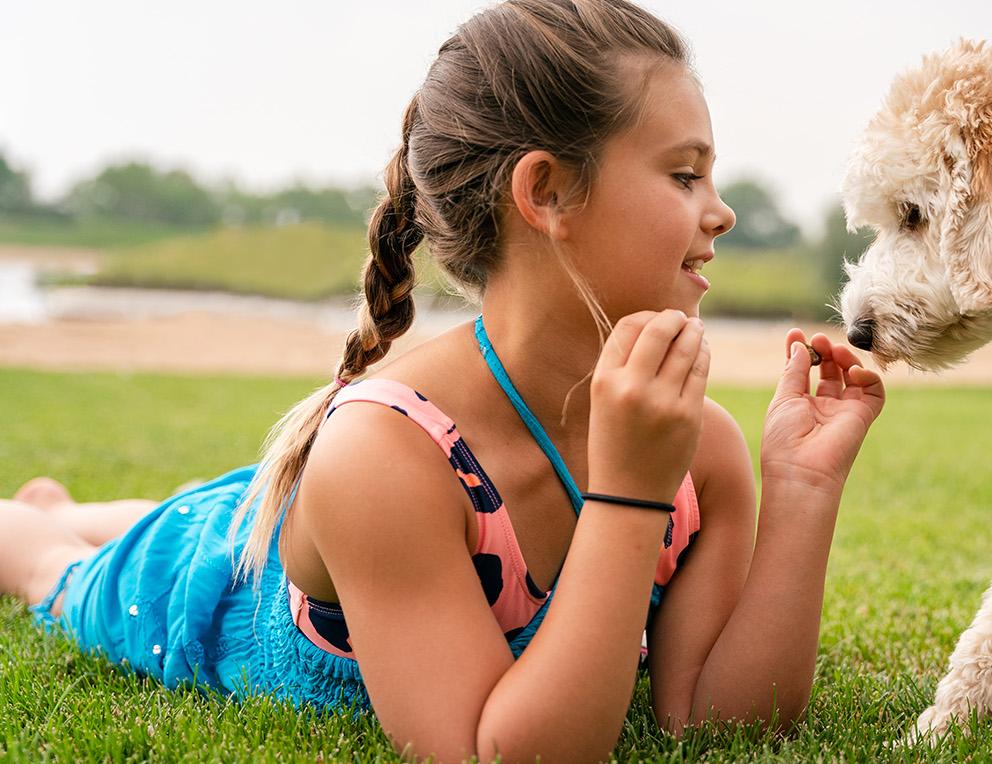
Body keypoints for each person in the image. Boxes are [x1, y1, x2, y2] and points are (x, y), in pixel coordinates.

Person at [0, 1, 886, 760]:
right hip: (216, 579)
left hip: (343, 532)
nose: (721, 210)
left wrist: (803, 489)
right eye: (684, 173)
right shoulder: (386, 456)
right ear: (546, 193)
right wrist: (626, 499)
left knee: (221, 504)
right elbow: (494, 748)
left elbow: (711, 724)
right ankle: (50, 519)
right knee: (52, 565)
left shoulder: (700, 451)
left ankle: (112, 505)